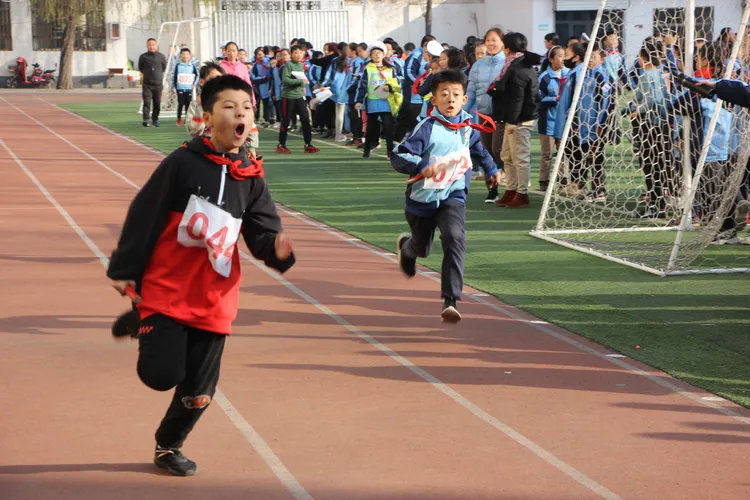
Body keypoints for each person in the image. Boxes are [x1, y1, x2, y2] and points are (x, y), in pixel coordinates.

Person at [107, 74, 296, 477]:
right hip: (168, 288)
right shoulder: (180, 163)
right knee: (162, 376)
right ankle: (145, 318)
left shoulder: (252, 176)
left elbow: (262, 233)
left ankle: (168, 446)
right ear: (207, 118)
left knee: (199, 393)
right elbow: (145, 215)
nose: (240, 113)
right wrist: (125, 270)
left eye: (246, 107)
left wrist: (278, 250)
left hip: (215, 296)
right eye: (229, 107)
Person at [391, 69, 501, 323]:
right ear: (434, 100)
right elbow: (399, 155)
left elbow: (479, 150)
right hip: (422, 200)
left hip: (453, 195)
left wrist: (492, 169)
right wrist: (421, 166)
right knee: (422, 248)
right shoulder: (426, 128)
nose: (450, 99)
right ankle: (407, 249)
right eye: (444, 94)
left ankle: (450, 300)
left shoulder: (467, 128)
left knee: (454, 236)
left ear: (464, 99)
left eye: (456, 94)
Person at [489, 32, 541, 209]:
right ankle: (511, 190)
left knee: (520, 157)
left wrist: (512, 121)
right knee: (507, 156)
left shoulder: (518, 69)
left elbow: (518, 99)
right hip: (512, 118)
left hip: (520, 120)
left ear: (508, 48)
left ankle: (522, 193)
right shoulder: (515, 65)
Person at [354, 41, 402, 159]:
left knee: (388, 127)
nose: (377, 55)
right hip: (373, 102)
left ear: (383, 54)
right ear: (370, 56)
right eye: (374, 53)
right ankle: (367, 149)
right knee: (371, 128)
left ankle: (390, 152)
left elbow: (397, 84)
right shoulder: (368, 69)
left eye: (379, 53)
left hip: (386, 102)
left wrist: (389, 87)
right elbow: (362, 85)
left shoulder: (391, 69)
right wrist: (359, 100)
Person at [276, 44, 320, 154]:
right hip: (288, 97)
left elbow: (302, 79)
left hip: (299, 96)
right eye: (296, 53)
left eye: (301, 53)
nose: (299, 55)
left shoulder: (301, 65)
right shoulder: (288, 65)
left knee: (305, 119)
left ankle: (308, 144)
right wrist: (300, 82)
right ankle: (281, 144)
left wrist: (302, 87)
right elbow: (285, 80)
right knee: (286, 121)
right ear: (292, 54)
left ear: (304, 54)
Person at [139, 38, 167, 127]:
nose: (151, 46)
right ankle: (146, 119)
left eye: (153, 45)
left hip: (158, 85)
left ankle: (155, 119)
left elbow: (164, 67)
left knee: (157, 103)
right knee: (147, 102)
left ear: (156, 45)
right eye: (149, 45)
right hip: (147, 84)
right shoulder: (143, 56)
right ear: (147, 46)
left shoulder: (161, 56)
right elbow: (141, 68)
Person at [173, 48, 199, 127]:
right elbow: (174, 77)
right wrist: (174, 87)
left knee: (188, 104)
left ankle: (187, 119)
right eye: (183, 54)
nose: (185, 56)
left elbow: (197, 75)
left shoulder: (192, 66)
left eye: (186, 54)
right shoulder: (178, 66)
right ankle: (179, 119)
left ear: (189, 56)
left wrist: (194, 83)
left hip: (188, 88)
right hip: (180, 88)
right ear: (180, 55)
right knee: (180, 104)